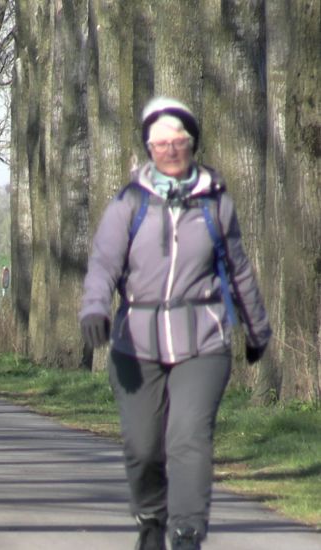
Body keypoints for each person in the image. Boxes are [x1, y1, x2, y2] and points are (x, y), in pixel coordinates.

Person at [79, 97, 271, 550]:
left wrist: (257, 328)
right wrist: (95, 309)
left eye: (177, 141)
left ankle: (186, 532)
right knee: (143, 447)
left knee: (188, 438)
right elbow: (104, 263)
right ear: (148, 148)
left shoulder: (215, 202)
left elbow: (238, 267)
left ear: (192, 143)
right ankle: (151, 516)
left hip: (202, 338)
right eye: (159, 143)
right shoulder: (129, 203)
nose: (168, 150)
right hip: (135, 342)